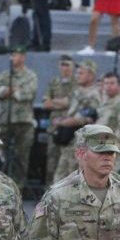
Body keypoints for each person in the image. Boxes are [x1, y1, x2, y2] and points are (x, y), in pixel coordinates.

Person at [0, 47, 39, 191]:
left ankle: (18, 186)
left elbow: (29, 94)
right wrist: (6, 91)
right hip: (6, 119)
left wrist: (12, 92)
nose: (14, 58)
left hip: (23, 121)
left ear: (23, 57)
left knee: (21, 155)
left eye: (17, 55)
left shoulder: (30, 75)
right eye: (12, 55)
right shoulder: (6, 75)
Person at [43, 57, 77, 185]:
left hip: (70, 127)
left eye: (68, 65)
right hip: (54, 127)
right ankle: (49, 192)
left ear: (73, 67)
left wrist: (55, 101)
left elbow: (72, 103)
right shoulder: (54, 82)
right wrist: (62, 102)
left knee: (68, 163)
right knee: (51, 161)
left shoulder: (76, 83)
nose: (65, 68)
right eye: (62, 65)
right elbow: (46, 104)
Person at [97, 71, 120, 149]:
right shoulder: (105, 100)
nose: (108, 86)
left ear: (119, 85)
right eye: (106, 83)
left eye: (112, 83)